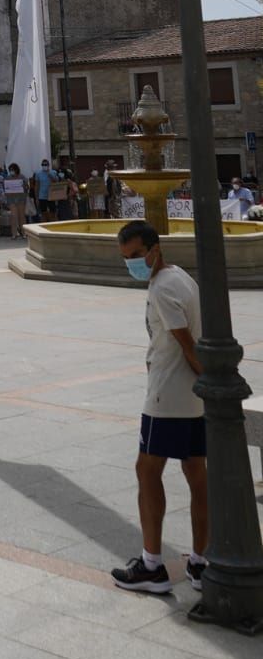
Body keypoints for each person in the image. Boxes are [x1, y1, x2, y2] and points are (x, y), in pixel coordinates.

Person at [111, 220, 207, 594]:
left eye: (136, 255)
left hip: (167, 395)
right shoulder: (179, 277)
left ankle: (151, 565)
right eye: (125, 258)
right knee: (196, 473)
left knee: (147, 471)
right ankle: (201, 561)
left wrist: (210, 381)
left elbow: (187, 345)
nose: (132, 263)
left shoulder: (163, 289)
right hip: (191, 397)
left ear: (154, 250)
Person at [4, 164, 27, 239]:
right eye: (10, 170)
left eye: (13, 169)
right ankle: (14, 234)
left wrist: (23, 186)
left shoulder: (22, 177)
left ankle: (24, 233)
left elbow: (27, 187)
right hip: (11, 199)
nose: (12, 171)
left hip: (21, 198)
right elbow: (6, 189)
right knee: (13, 216)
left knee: (21, 216)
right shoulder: (7, 178)